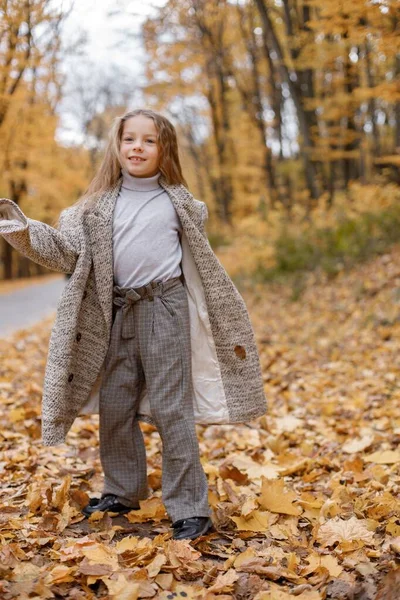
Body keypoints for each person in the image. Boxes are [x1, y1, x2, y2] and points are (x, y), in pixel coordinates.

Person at [0, 108, 267, 540]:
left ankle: (189, 508)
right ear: (117, 146)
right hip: (115, 311)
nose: (137, 147)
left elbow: (198, 260)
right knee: (116, 404)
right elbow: (65, 252)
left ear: (165, 149)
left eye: (148, 140)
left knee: (171, 407)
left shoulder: (180, 203)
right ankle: (123, 490)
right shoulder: (92, 209)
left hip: (165, 306)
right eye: (129, 139)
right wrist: (22, 228)